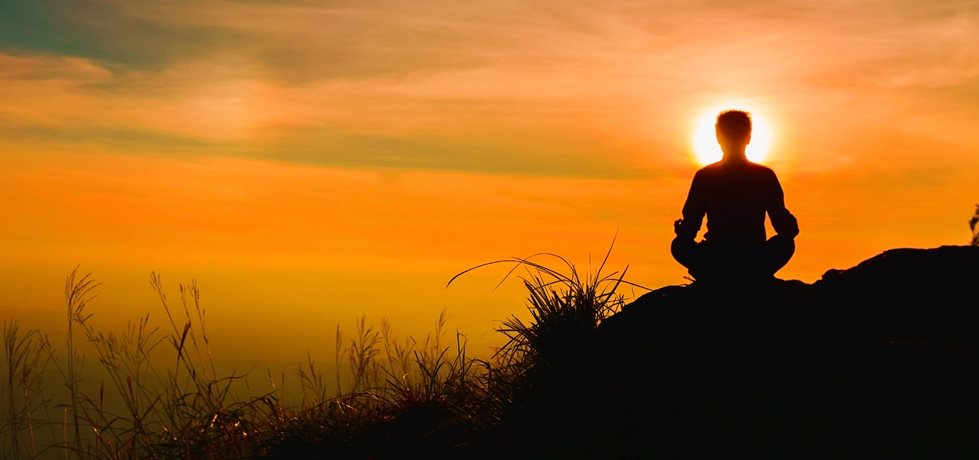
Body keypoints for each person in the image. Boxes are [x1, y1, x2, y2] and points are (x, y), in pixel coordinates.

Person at [671, 109, 799, 284]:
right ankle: (751, 276)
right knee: (785, 244)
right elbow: (785, 228)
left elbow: (690, 228)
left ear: (718, 138)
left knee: (679, 246)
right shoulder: (764, 176)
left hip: (723, 258)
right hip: (748, 257)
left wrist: (682, 231)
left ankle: (716, 277)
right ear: (748, 138)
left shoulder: (705, 176)